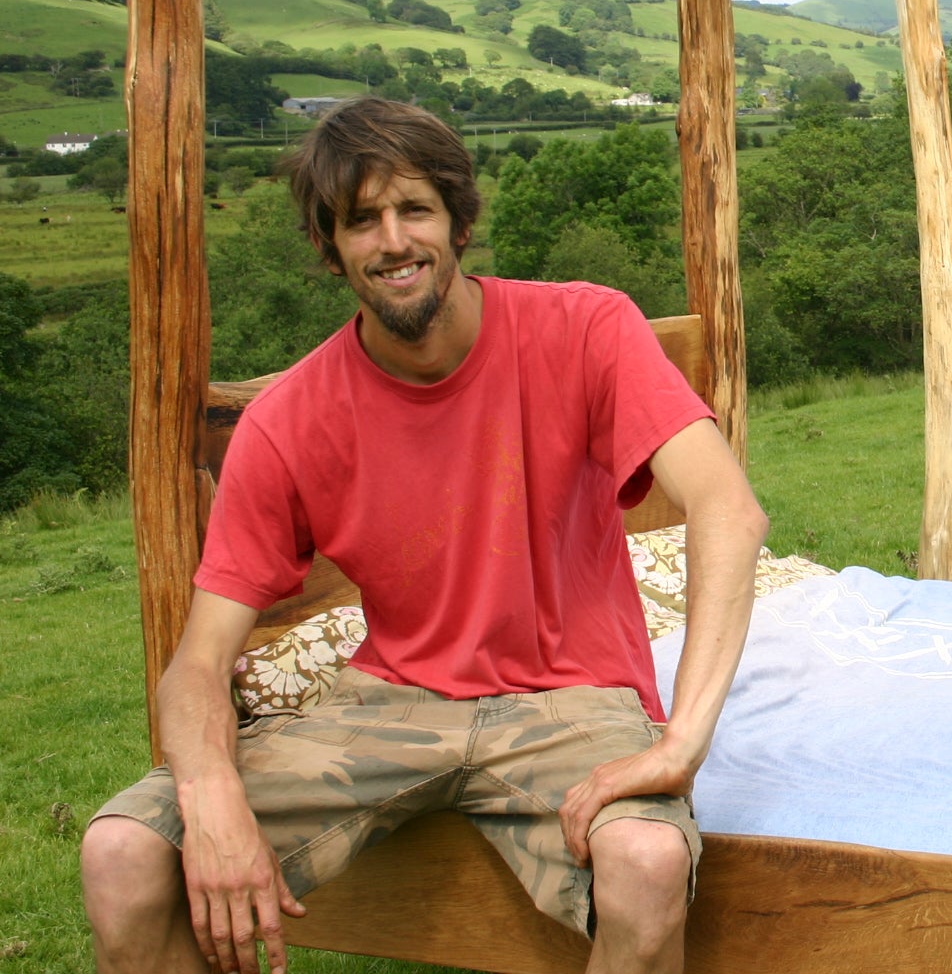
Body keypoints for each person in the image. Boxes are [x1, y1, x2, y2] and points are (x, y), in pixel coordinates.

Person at [80, 98, 768, 974]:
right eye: (361, 220)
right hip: (388, 708)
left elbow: (727, 510)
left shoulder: (585, 327)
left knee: (648, 858)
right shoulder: (289, 420)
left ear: (459, 221)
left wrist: (682, 742)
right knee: (122, 854)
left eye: (415, 209)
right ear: (332, 249)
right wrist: (210, 798)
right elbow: (197, 667)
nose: (393, 241)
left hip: (572, 701)